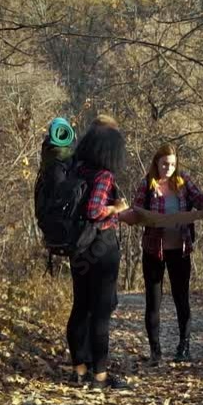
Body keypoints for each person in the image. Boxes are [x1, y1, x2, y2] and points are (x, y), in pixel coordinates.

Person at [66, 115, 136, 390]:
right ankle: (100, 376)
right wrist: (116, 208)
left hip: (78, 247)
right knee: (101, 311)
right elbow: (95, 210)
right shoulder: (104, 176)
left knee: (80, 306)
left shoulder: (76, 169)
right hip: (101, 247)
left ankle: (79, 370)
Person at [134, 144, 203, 365]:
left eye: (172, 164)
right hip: (154, 249)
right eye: (164, 164)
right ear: (157, 163)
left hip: (180, 249)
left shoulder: (183, 181)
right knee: (153, 301)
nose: (168, 168)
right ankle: (155, 351)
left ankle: (184, 347)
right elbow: (136, 210)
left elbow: (201, 200)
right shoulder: (147, 184)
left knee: (181, 297)